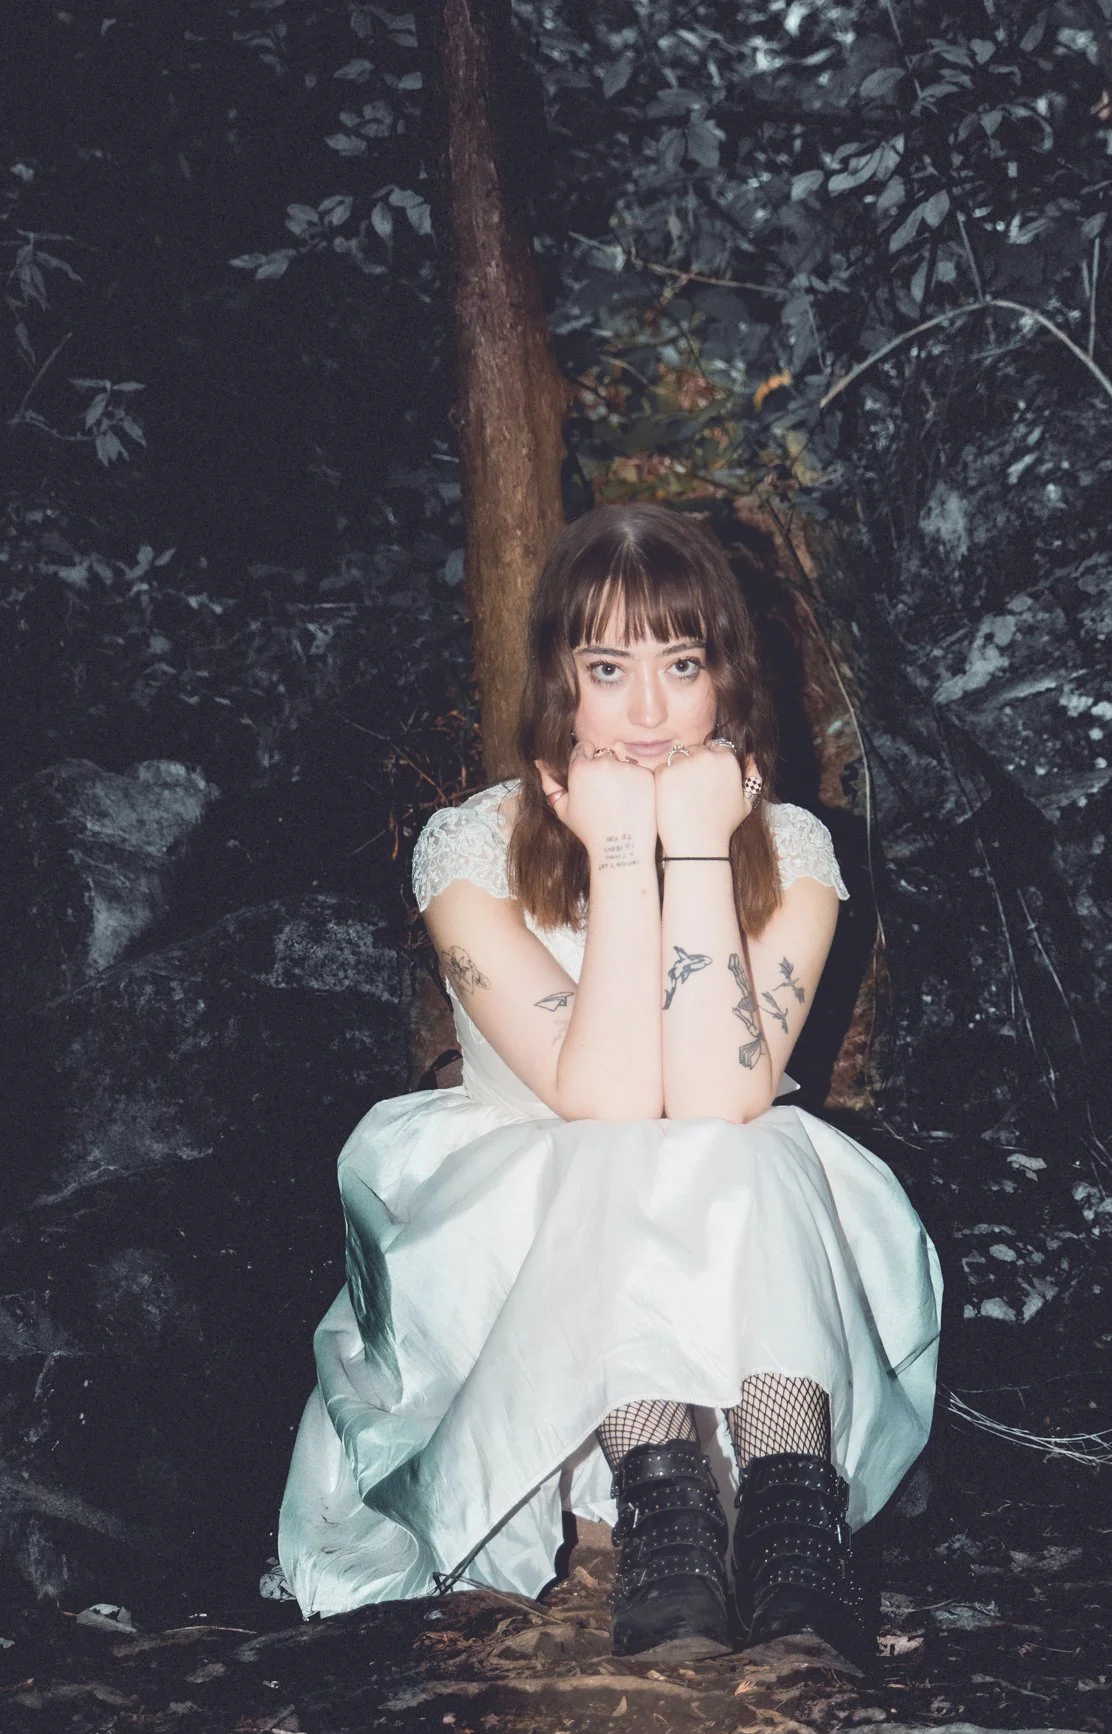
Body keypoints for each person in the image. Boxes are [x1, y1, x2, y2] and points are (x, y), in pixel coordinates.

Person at [276, 502, 941, 1660]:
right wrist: (626, 849)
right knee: (629, 1145)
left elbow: (727, 1095)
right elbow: (605, 1096)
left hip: (734, 1219)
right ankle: (667, 1499)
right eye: (608, 665)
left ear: (724, 680)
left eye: (681, 664)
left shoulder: (796, 851)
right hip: (510, 1227)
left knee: (756, 1141)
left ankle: (787, 1506)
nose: (647, 710)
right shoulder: (469, 848)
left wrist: (696, 845)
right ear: (560, 684)